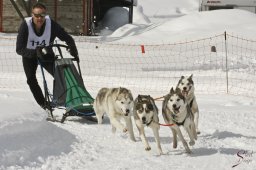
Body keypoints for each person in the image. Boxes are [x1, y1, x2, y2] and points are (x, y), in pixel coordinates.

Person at [16, 2, 79, 111]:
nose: (39, 18)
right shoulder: (25, 25)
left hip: (46, 54)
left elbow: (66, 37)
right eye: (36, 15)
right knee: (31, 80)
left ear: (45, 15)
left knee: (61, 75)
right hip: (29, 56)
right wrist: (35, 53)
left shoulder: (52, 25)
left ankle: (69, 100)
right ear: (32, 15)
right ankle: (43, 103)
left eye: (42, 15)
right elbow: (19, 49)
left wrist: (72, 47)